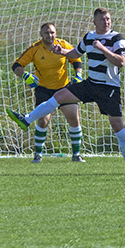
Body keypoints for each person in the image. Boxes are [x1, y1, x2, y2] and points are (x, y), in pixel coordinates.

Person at [8, 8, 125, 174]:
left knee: (117, 125)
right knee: (59, 96)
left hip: (108, 88)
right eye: (103, 19)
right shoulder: (89, 37)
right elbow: (76, 53)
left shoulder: (116, 38)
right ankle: (27, 120)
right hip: (91, 84)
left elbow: (120, 62)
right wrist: (62, 52)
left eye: (108, 19)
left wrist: (103, 49)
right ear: (94, 22)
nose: (106, 22)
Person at [12, 22, 85, 163]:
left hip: (64, 88)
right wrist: (26, 76)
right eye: (46, 33)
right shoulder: (35, 49)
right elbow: (16, 66)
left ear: (56, 33)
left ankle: (76, 155)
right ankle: (37, 155)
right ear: (41, 34)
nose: (49, 35)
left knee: (73, 118)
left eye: (52, 32)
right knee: (43, 120)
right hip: (44, 89)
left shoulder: (63, 45)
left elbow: (76, 59)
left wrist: (78, 75)